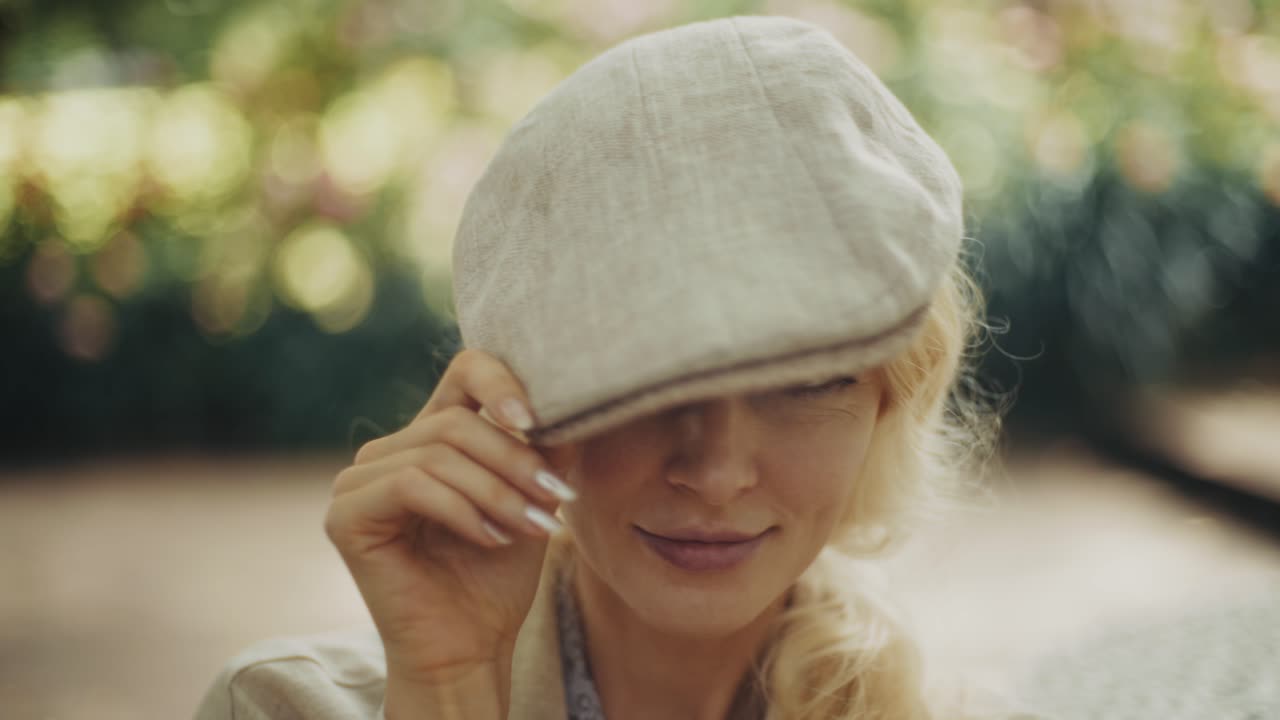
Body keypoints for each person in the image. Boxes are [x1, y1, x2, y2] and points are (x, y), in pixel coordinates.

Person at [196, 14, 1042, 720]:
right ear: (519, 396)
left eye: (805, 380)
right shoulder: (276, 707)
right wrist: (450, 688)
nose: (715, 472)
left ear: (890, 405)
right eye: (650, 378)